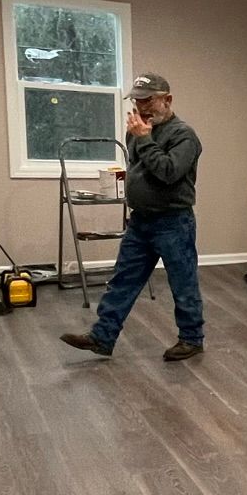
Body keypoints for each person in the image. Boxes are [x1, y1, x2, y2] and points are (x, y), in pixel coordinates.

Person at [60, 72, 205, 362]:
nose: (141, 107)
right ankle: (102, 336)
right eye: (137, 100)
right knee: (123, 280)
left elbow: (167, 172)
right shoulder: (138, 131)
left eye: (148, 99)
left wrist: (145, 139)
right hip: (140, 221)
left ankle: (191, 339)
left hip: (173, 222)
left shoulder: (183, 135)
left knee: (182, 282)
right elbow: (139, 170)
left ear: (167, 99)